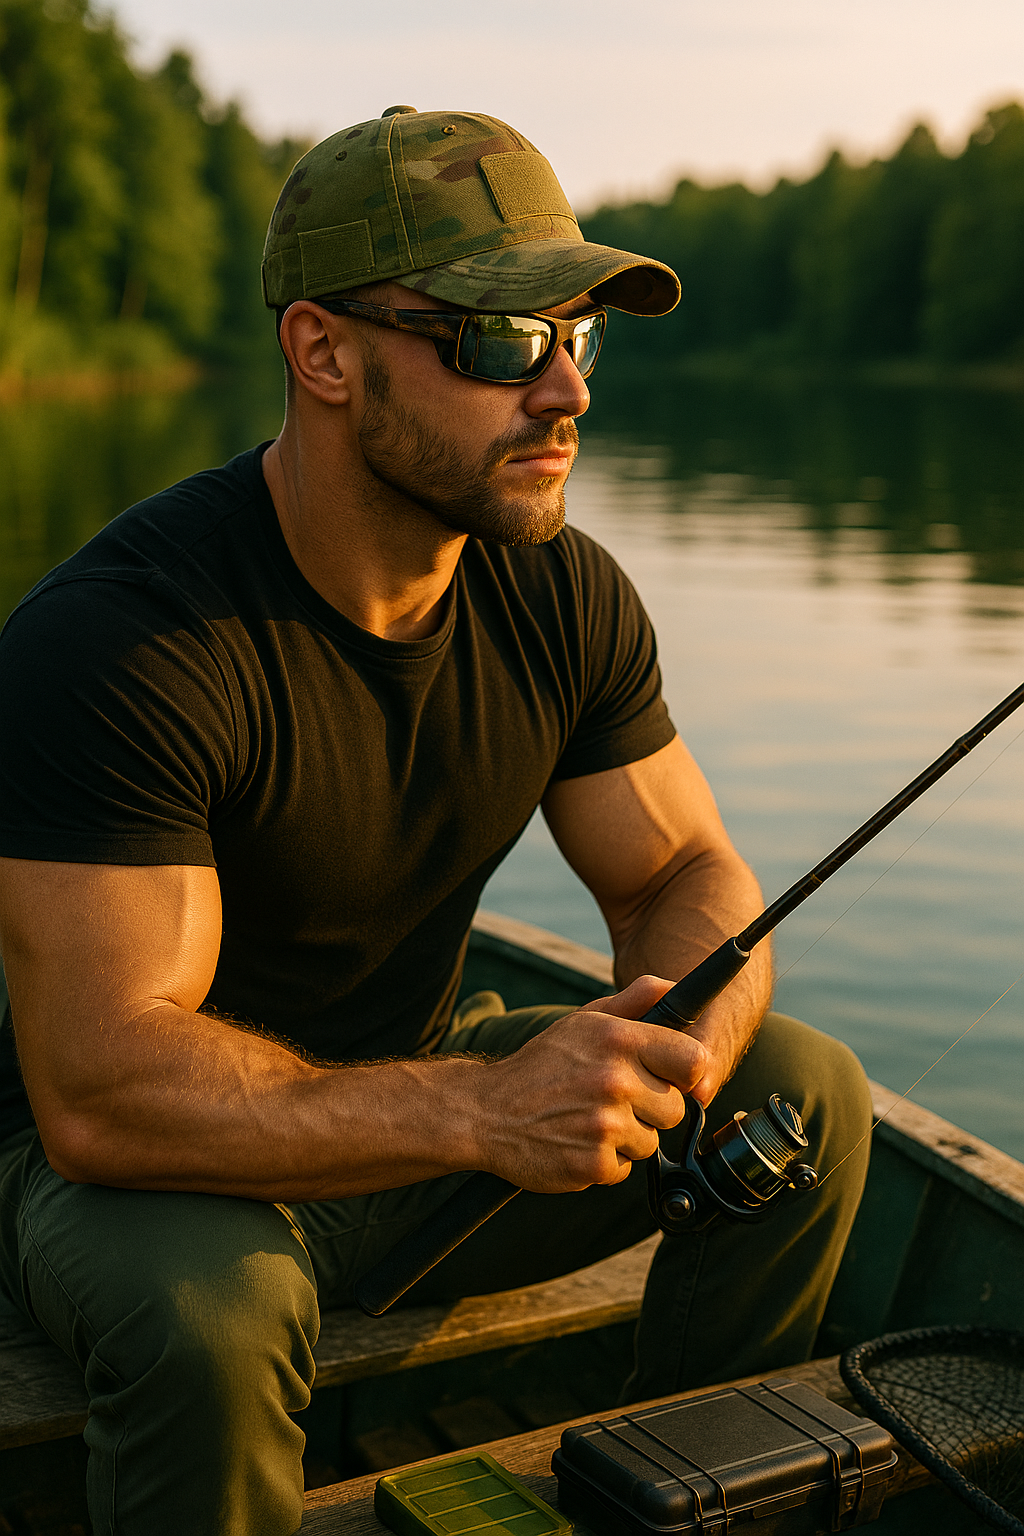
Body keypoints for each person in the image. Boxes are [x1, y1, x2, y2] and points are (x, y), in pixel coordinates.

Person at [0, 107, 871, 1536]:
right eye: (500, 340)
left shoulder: (562, 592)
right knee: (215, 1313)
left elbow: (680, 866)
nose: (564, 390)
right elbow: (104, 1091)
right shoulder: (126, 640)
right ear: (323, 354)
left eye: (580, 337)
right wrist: (481, 1110)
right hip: (137, 1172)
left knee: (800, 1094)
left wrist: (680, 1049)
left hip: (420, 1114)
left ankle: (698, 1504)